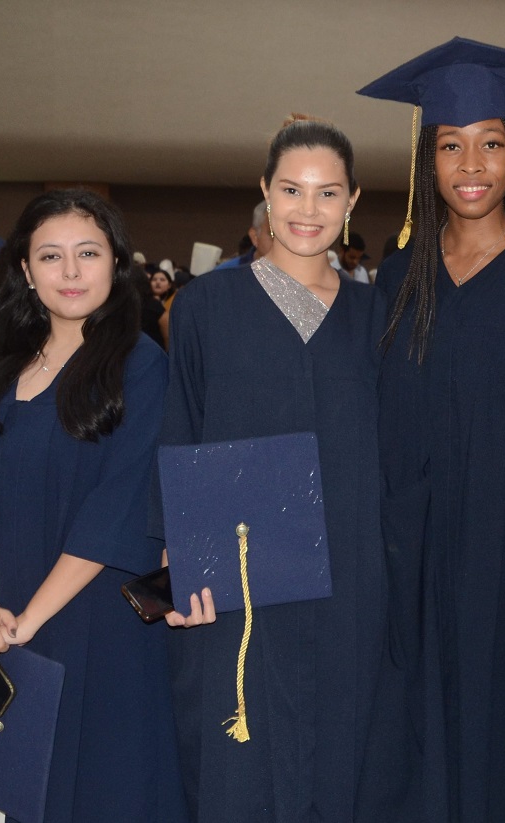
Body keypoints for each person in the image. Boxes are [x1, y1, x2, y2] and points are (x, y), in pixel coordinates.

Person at [356, 38, 505, 822]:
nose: (471, 163)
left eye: (491, 144)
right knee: (414, 735)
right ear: (427, 162)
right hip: (411, 550)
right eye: (450, 145)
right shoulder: (397, 277)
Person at [0, 189, 187, 823]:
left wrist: (27, 623)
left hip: (93, 619)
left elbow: (118, 509)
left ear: (116, 262)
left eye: (89, 253)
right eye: (51, 256)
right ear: (26, 272)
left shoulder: (141, 368)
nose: (72, 272)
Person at [153, 116, 387, 822]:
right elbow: (180, 434)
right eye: (291, 189)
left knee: (344, 745)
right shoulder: (205, 307)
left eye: (326, 193)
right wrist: (183, 559)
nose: (306, 211)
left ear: (352, 202)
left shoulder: (379, 317)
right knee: (241, 756)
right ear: (264, 192)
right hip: (242, 577)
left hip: (354, 573)